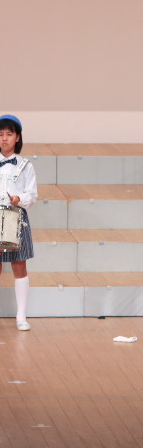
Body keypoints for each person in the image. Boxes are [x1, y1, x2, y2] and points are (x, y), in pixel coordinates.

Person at [0, 115, 38, 331]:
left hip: (16, 217)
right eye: (0, 134)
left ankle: (21, 316)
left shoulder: (25, 165)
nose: (4, 139)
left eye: (9, 134)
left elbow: (32, 195)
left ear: (17, 137)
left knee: (19, 265)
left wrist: (18, 199)